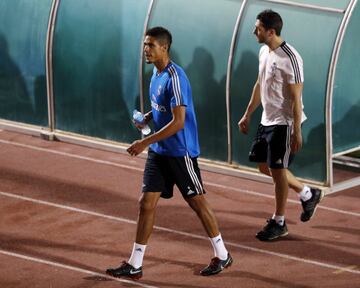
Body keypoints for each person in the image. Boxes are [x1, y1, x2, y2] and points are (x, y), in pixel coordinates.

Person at [106, 27, 232, 279]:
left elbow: (178, 122)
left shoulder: (176, 77)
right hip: (159, 151)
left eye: (151, 45)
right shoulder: (155, 73)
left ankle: (222, 254)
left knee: (197, 202)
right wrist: (147, 118)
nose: (146, 50)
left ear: (164, 47)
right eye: (145, 45)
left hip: (180, 152)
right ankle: (135, 263)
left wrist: (144, 142)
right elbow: (162, 109)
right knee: (146, 204)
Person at [238, 10, 324, 241]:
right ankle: (308, 193)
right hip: (267, 120)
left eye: (257, 28)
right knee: (264, 167)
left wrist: (297, 130)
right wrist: (247, 114)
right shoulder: (263, 51)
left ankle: (279, 221)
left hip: (284, 124)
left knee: (277, 173)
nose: (253, 31)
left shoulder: (291, 58)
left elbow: (297, 98)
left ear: (271, 31)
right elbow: (260, 83)